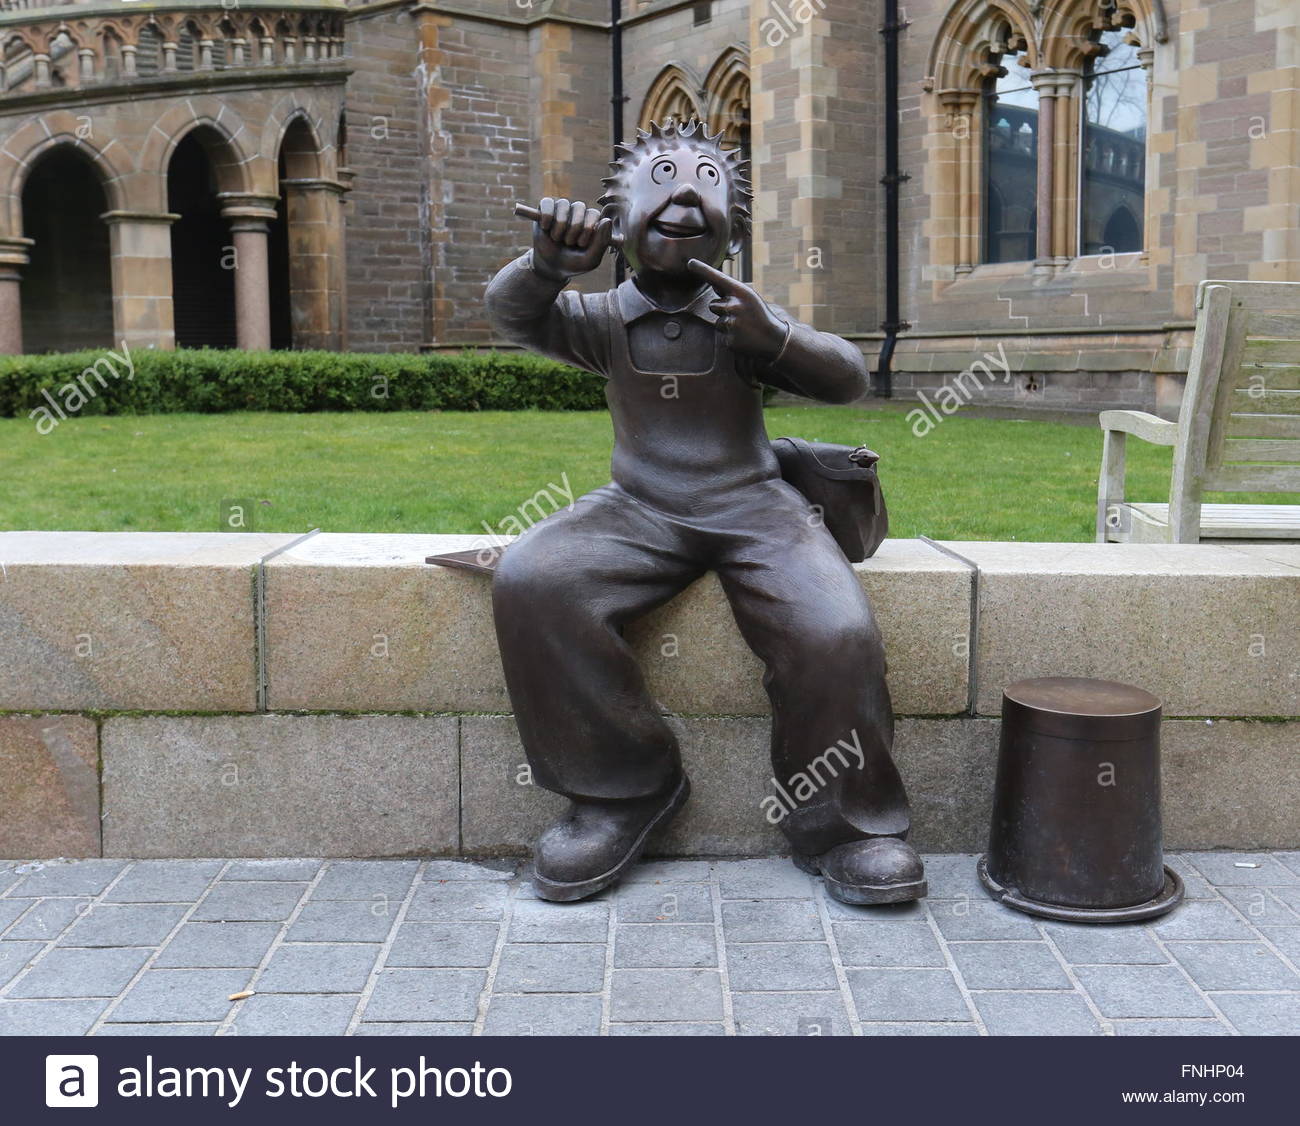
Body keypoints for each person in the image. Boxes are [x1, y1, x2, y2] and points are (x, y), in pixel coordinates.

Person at [485, 119, 925, 906]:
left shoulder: (743, 318)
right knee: (532, 579)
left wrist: (777, 335)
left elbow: (850, 378)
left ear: (735, 231)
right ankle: (622, 791)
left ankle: (847, 827)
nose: (686, 190)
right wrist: (545, 265)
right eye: (661, 177)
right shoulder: (599, 320)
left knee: (837, 632)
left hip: (755, 506)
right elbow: (515, 315)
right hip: (639, 507)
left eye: (708, 183)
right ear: (616, 218)